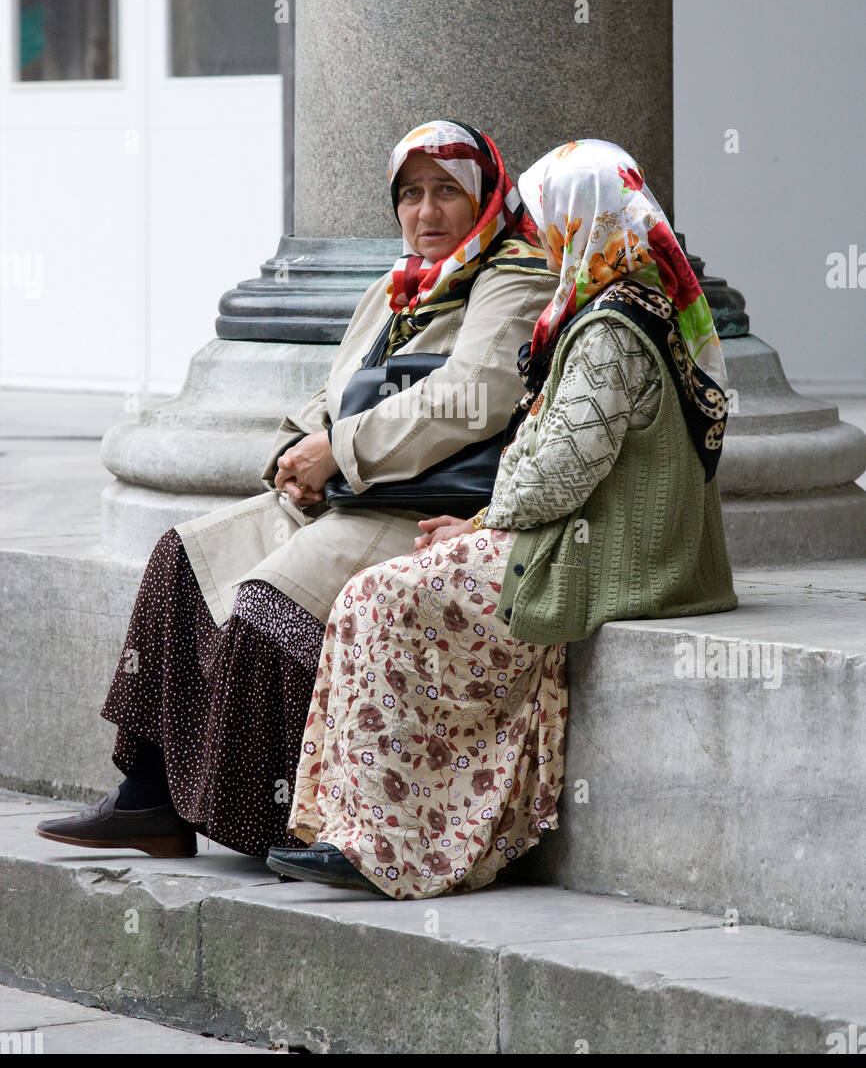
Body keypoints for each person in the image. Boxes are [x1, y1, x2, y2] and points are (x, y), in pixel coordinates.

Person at [36, 120, 553, 859]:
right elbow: (333, 391)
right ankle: (149, 799)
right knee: (182, 557)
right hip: (347, 493)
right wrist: (292, 452)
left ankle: (280, 820)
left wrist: (336, 454)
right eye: (410, 195)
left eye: (447, 192)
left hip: (419, 508)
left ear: (486, 197)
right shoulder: (396, 285)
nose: (426, 213)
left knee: (267, 602)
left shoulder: (513, 278)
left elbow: (472, 396)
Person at [269, 138, 737, 897]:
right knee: (380, 593)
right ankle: (350, 827)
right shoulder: (618, 303)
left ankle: (390, 846)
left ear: (583, 222)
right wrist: (492, 519)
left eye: (550, 221)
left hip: (617, 550)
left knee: (378, 597)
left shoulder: (612, 327)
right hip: (582, 530)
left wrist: (485, 525)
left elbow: (556, 472)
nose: (540, 237)